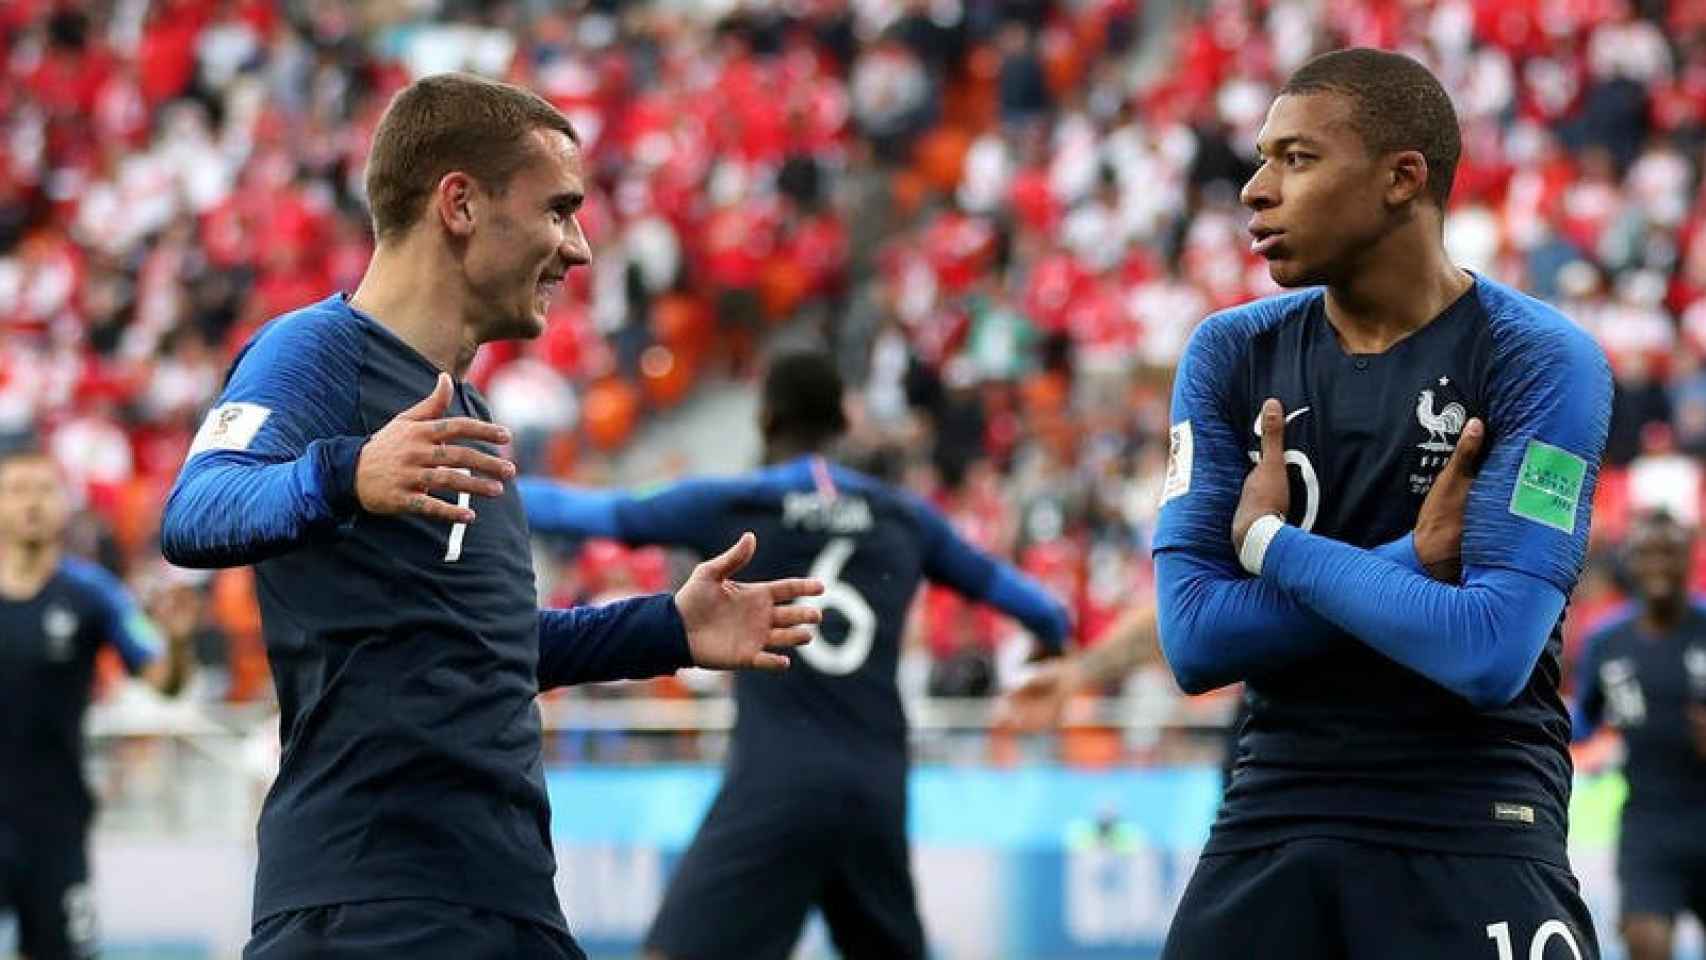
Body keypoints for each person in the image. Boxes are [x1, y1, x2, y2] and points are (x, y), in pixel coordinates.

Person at [158, 73, 823, 960]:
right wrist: (348, 472)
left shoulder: (463, 415)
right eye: (558, 210)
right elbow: (195, 510)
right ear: (460, 204)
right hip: (372, 906)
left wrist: (662, 627)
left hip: (499, 900)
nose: (579, 249)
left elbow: (478, 645)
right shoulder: (319, 352)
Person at [1154, 48, 1612, 959]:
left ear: (1404, 178)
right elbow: (1196, 640)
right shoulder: (1229, 354)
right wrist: (1412, 562)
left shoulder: (1538, 360)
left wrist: (1274, 547)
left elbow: (1487, 648)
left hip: (1470, 821)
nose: (1254, 190)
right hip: (1271, 813)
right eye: (1261, 157)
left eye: (1296, 158)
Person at [519, 349, 1072, 960]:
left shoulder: (740, 505)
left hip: (776, 781)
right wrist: (1051, 639)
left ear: (766, 418)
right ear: (841, 423)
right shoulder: (904, 518)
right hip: (876, 785)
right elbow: (1028, 599)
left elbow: (596, 513)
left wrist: (484, 486)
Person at [0, 448, 190, 960]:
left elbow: (163, 680)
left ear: (63, 504)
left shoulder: (91, 594)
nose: (31, 504)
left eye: (43, 490)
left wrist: (176, 641)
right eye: (17, 490)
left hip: (55, 821)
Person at [1573, 511, 1706, 960]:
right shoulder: (1605, 641)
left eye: (1669, 552)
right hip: (1649, 821)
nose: (1659, 565)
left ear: (1689, 556)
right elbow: (1578, 725)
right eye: (1647, 553)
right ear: (1628, 560)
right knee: (1647, 943)